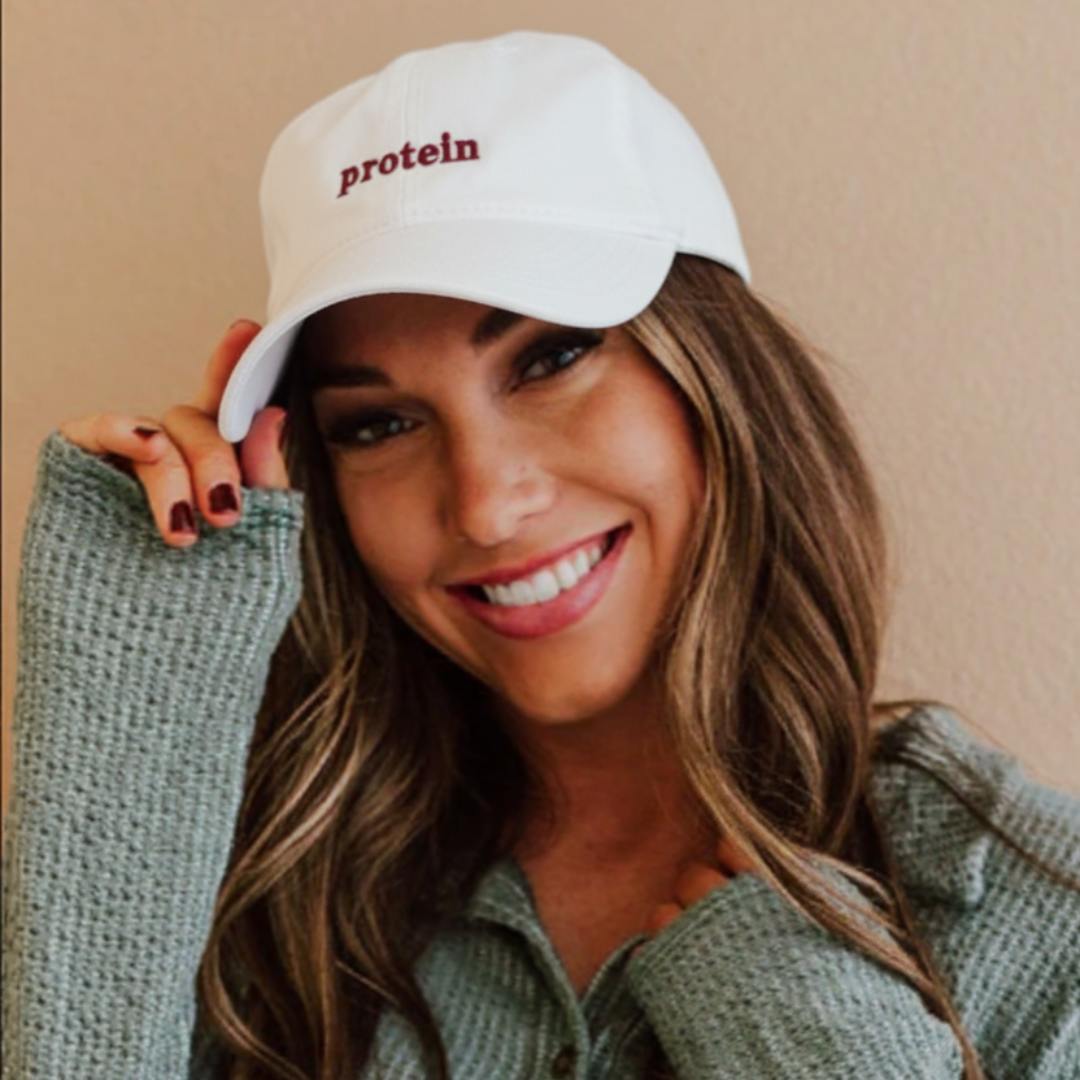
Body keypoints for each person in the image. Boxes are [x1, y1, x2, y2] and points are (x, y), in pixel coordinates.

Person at [4, 29, 1078, 1080]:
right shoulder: (252, 895)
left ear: (715, 374)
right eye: (378, 425)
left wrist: (804, 1032)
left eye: (550, 357)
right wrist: (131, 716)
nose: (484, 504)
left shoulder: (1040, 921)